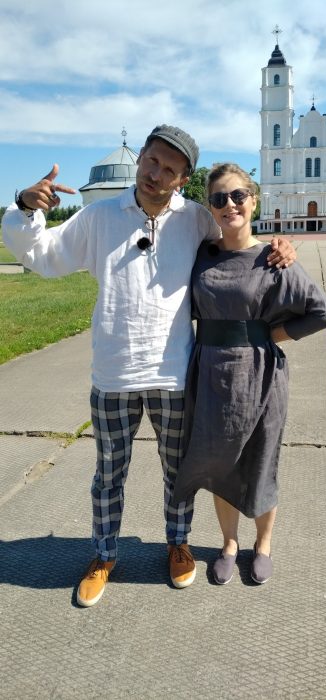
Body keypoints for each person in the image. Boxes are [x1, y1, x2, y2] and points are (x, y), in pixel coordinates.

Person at [2, 126, 296, 606]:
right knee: (108, 476)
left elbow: (236, 237)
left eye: (169, 169)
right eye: (152, 161)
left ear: (182, 179)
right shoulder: (100, 217)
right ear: (140, 157)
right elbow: (43, 255)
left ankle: (178, 544)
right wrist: (24, 207)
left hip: (173, 374)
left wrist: (278, 247)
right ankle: (104, 555)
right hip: (113, 373)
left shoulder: (195, 219)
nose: (155, 174)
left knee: (177, 472)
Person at [173, 163, 326, 585]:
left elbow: (323, 312)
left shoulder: (274, 258)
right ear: (210, 207)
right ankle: (229, 544)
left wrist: (271, 335)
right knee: (220, 464)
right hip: (210, 375)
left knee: (261, 460)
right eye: (219, 199)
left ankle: (263, 545)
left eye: (238, 196)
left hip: (260, 375)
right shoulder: (200, 255)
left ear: (253, 201)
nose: (229, 205)